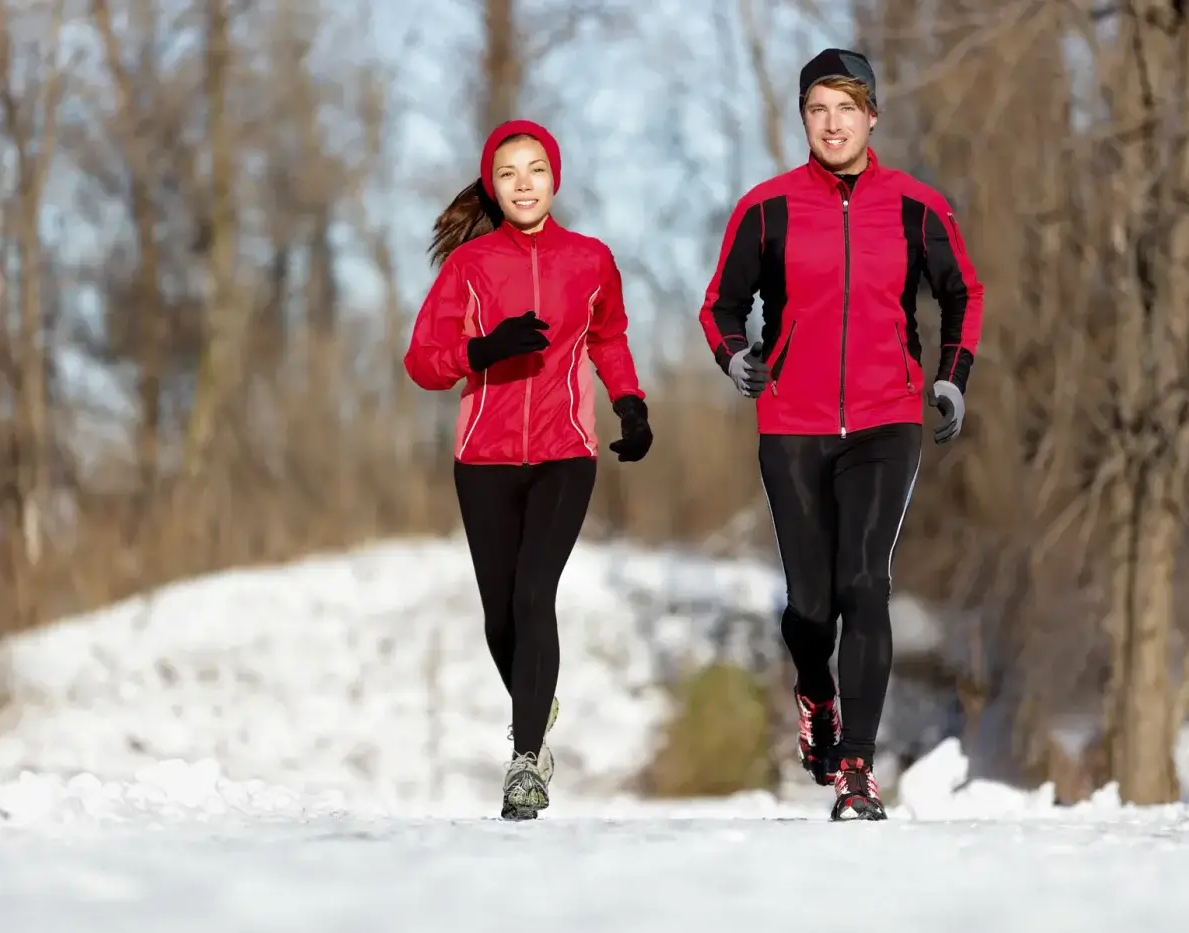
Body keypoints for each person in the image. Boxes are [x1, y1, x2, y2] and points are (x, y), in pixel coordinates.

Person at [697, 49, 984, 821]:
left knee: (866, 581)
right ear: (804, 119)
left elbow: (962, 291)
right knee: (813, 605)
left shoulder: (916, 206)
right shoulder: (769, 209)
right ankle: (815, 693)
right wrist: (737, 360)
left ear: (872, 116)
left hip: (886, 418)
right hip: (792, 421)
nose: (832, 123)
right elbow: (720, 306)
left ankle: (857, 767)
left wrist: (951, 376)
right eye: (818, 109)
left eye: (846, 108)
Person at [404, 119, 653, 820]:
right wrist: (482, 351)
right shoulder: (470, 267)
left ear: (555, 178)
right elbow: (422, 360)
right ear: (493, 184)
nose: (523, 183)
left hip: (565, 452)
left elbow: (610, 337)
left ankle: (525, 759)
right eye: (508, 172)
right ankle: (535, 696)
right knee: (499, 614)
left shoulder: (591, 259)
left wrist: (630, 405)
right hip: (482, 459)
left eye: (535, 169)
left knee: (533, 592)